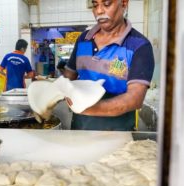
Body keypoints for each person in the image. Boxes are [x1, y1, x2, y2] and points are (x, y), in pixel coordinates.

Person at [64, 0, 155, 131]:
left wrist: (87, 108)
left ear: (124, 3)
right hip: (80, 129)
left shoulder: (139, 46)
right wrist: (54, 92)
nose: (99, 11)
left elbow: (135, 98)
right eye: (95, 5)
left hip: (117, 131)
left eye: (106, 4)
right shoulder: (83, 39)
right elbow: (69, 76)